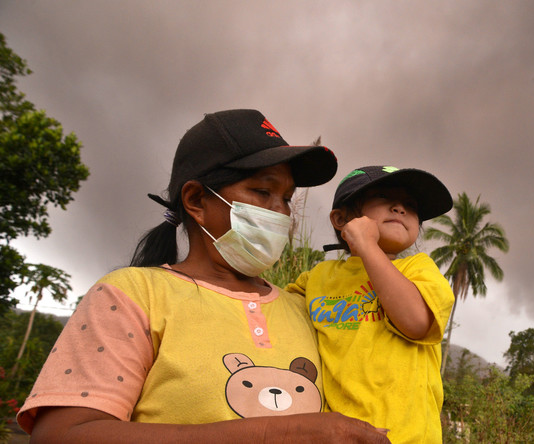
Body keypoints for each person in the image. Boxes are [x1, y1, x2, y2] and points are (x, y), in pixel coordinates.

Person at [16, 109, 389, 443]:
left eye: (287, 198)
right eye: (262, 191)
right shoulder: (133, 294)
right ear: (196, 200)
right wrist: (281, 433)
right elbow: (62, 434)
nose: (280, 212)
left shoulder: (302, 307)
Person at [286, 165, 456, 444]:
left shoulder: (419, 269)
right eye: (383, 196)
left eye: (411, 206)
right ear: (341, 219)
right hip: (337, 437)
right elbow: (273, 309)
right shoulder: (317, 278)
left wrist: (367, 246)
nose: (400, 208)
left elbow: (415, 322)